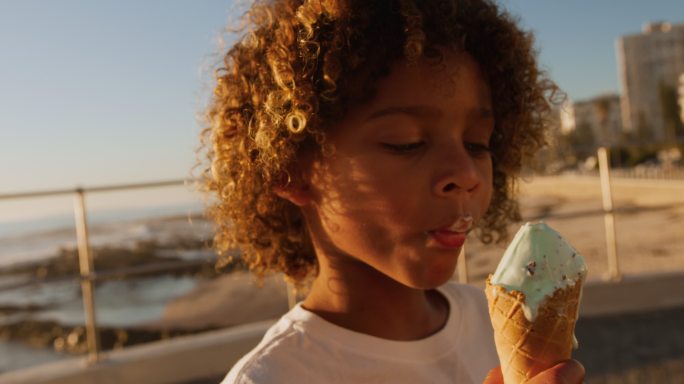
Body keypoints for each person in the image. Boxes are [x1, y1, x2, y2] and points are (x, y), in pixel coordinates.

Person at [199, 0, 584, 382]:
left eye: (478, 143)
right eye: (407, 142)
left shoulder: (489, 322)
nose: (467, 173)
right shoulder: (271, 378)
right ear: (290, 171)